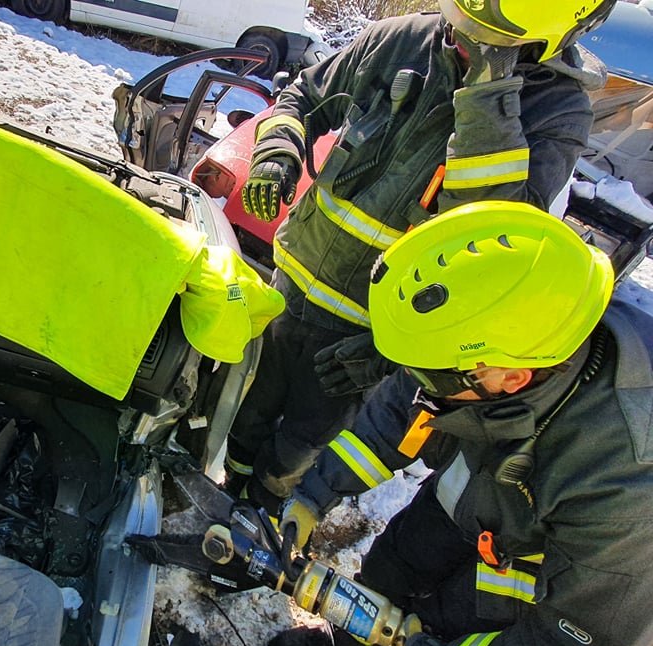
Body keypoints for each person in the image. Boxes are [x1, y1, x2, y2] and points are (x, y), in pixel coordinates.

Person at [262, 199, 653, 646]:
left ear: (509, 379)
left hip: (530, 575)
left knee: (429, 644)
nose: (415, 385)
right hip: (468, 502)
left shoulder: (628, 489)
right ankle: (348, 641)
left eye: (429, 377)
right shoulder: (517, 333)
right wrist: (315, 493)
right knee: (391, 566)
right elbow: (405, 407)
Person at [225, 0, 615, 511]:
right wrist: (277, 151)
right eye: (458, 22)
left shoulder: (556, 111)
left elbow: (492, 242)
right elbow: (304, 96)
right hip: (293, 279)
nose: (457, 38)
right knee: (248, 408)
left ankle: (260, 508)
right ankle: (228, 484)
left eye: (481, 36)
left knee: (302, 440)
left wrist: (487, 97)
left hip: (366, 331)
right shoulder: (404, 38)